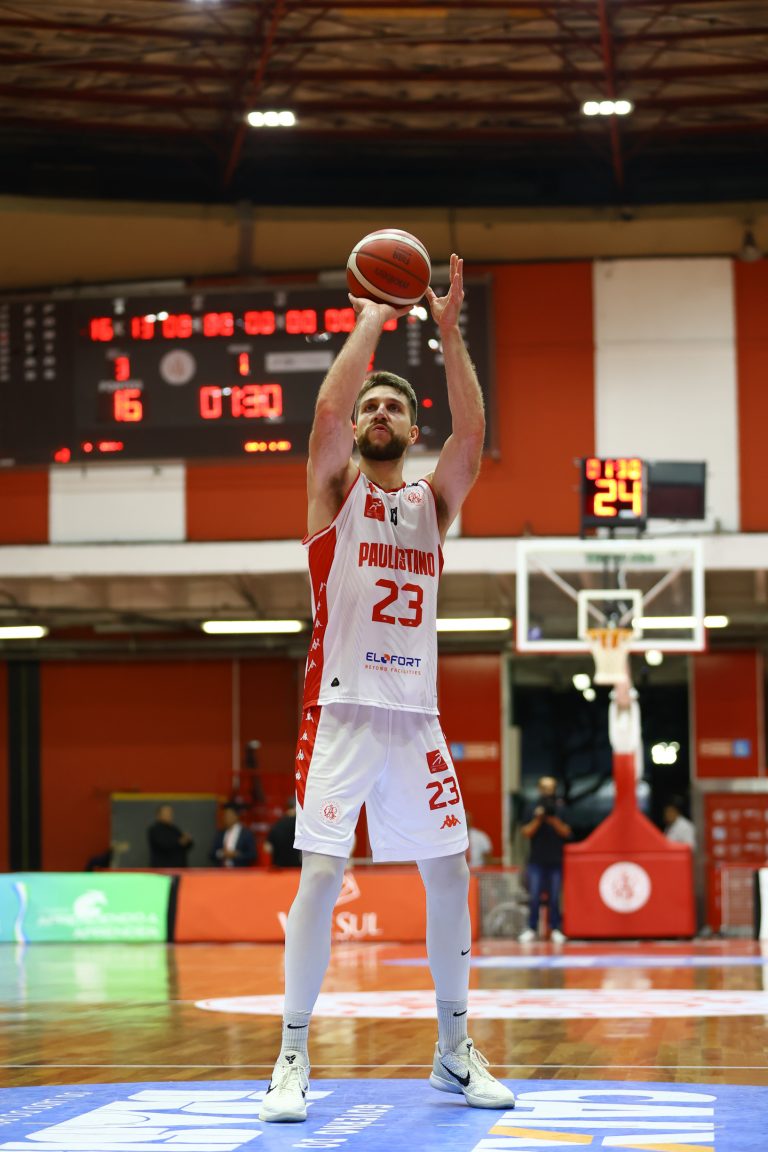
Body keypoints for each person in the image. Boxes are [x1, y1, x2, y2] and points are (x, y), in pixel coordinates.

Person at [259, 254, 515, 1123]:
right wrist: (372, 313)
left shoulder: (431, 507)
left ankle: (452, 1051)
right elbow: (328, 413)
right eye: (372, 405)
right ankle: (291, 1055)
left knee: (450, 872)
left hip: (417, 719)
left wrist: (447, 331)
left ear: (412, 428)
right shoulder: (333, 493)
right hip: (339, 713)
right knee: (322, 875)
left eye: (394, 408)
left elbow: (473, 436)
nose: (376, 414)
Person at [518, 776, 571, 944]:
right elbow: (526, 832)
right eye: (545, 788)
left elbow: (567, 832)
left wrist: (553, 820)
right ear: (539, 789)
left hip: (555, 860)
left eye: (551, 788)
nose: (548, 791)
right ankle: (531, 928)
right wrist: (538, 819)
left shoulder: (560, 807)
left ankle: (555, 929)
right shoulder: (532, 807)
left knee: (555, 897)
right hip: (536, 860)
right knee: (534, 896)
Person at [209, 803, 257, 868]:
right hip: (222, 870)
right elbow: (211, 854)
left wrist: (236, 855)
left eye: (229, 815)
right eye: (225, 815)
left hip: (239, 870)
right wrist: (222, 853)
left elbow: (252, 855)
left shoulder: (246, 834)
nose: (226, 818)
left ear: (236, 816)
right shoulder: (220, 833)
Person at [147, 803, 194, 868]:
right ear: (158, 815)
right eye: (166, 813)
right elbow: (164, 845)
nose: (169, 815)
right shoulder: (155, 829)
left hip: (179, 868)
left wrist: (187, 840)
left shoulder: (174, 829)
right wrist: (180, 842)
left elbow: (187, 845)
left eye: (170, 813)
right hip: (162, 868)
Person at [264, 800, 302, 868]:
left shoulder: (277, 824)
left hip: (279, 867)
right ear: (296, 808)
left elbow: (267, 848)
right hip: (296, 868)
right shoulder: (301, 826)